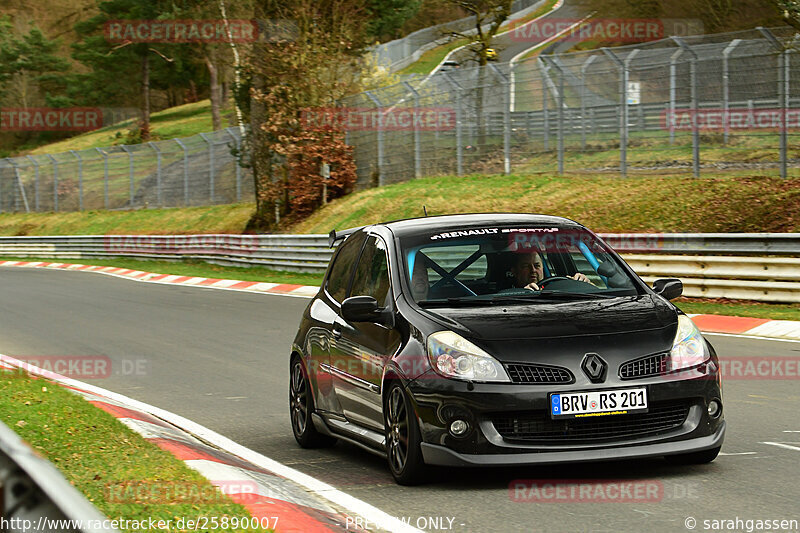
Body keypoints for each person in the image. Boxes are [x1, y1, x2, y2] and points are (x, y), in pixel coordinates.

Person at [510, 251, 590, 291]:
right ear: (514, 271)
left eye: (537, 266)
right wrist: (523, 294)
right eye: (526, 266)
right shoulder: (506, 295)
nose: (533, 270)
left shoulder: (555, 287)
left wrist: (584, 284)